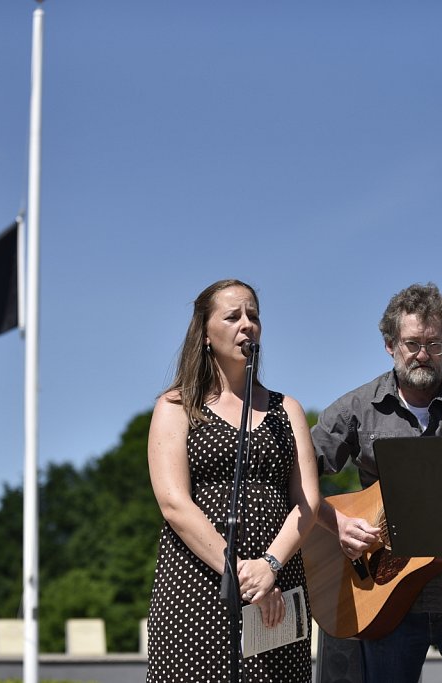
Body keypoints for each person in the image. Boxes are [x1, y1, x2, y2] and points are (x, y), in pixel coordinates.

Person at [311, 282, 442, 682]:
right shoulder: (357, 409)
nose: (423, 354)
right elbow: (292, 472)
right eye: (411, 343)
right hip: (382, 596)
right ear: (390, 345)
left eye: (434, 344)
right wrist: (333, 523)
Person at [145, 279, 321, 682]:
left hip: (277, 583)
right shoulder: (177, 406)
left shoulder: (286, 409)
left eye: (254, 316)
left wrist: (270, 566)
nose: (248, 325)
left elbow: (308, 501)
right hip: (200, 586)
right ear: (205, 333)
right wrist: (242, 571)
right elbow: (173, 502)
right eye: (233, 316)